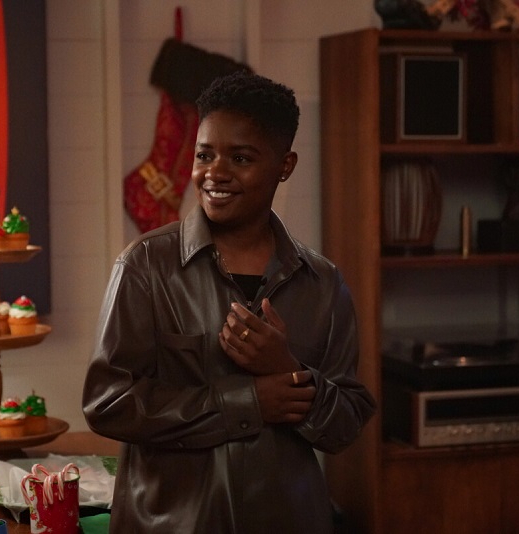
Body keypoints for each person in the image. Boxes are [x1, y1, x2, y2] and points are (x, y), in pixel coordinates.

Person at [82, 71, 376, 533]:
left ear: (286, 164)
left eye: (240, 157)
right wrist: (249, 402)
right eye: (204, 155)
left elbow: (345, 426)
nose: (215, 173)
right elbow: (108, 403)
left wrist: (287, 369)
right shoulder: (144, 267)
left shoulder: (323, 283)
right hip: (171, 525)